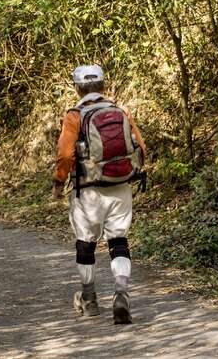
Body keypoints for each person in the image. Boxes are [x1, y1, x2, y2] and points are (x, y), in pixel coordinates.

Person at [52, 64, 146, 325]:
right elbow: (141, 146)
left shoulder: (75, 115)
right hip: (120, 185)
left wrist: (59, 182)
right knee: (118, 240)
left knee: (86, 243)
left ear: (77, 87)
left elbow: (64, 155)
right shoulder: (121, 110)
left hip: (88, 190)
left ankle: (90, 299)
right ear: (103, 85)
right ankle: (121, 292)